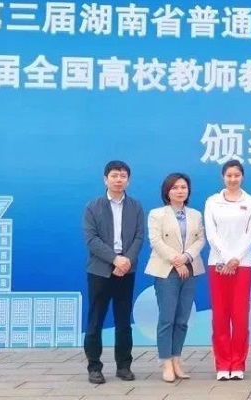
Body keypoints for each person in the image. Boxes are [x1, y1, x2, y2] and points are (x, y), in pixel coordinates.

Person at [82, 160, 145, 384]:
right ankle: (94, 367)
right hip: (100, 270)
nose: (119, 180)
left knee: (123, 320)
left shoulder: (136, 207)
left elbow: (139, 237)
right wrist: (114, 259)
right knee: (96, 320)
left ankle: (124, 366)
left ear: (128, 180)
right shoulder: (93, 206)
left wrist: (125, 260)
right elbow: (91, 239)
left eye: (123, 176)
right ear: (105, 179)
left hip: (126, 269)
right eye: (114, 176)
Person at [143, 172, 206, 383]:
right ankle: (166, 362)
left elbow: (201, 239)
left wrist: (186, 257)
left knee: (182, 319)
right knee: (167, 318)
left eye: (183, 187)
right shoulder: (157, 214)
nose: (180, 191)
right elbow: (155, 241)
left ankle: (177, 359)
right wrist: (177, 261)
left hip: (190, 269)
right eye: (175, 188)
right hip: (166, 270)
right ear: (167, 192)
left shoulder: (195, 214)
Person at [203, 160, 251, 381]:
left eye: (236, 175)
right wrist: (227, 257)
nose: (233, 179)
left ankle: (237, 364)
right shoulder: (212, 202)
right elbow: (211, 234)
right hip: (217, 263)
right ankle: (222, 364)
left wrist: (235, 257)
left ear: (242, 177)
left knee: (240, 316)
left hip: (243, 264)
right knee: (220, 316)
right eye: (229, 175)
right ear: (223, 177)